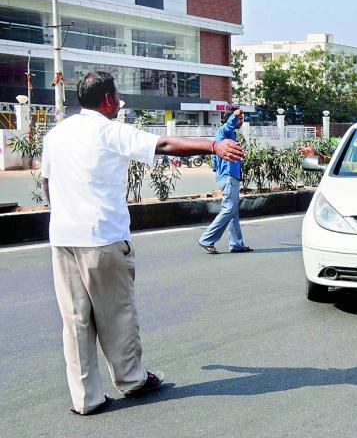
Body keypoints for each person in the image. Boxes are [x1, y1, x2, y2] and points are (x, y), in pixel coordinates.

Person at [41, 71, 243, 415]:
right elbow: (161, 145)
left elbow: (46, 183)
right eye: (116, 97)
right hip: (102, 238)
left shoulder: (55, 135)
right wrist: (213, 144)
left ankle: (85, 399)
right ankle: (132, 380)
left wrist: (63, 214)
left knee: (75, 321)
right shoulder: (109, 130)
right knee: (117, 314)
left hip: (62, 238)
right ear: (107, 100)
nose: (118, 103)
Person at [198, 107, 253, 254]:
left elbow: (216, 158)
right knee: (229, 209)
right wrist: (236, 114)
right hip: (228, 176)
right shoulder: (225, 130)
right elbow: (230, 123)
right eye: (240, 119)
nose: (241, 121)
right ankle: (206, 239)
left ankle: (236, 244)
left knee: (233, 212)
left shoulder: (229, 135)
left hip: (230, 175)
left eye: (242, 119)